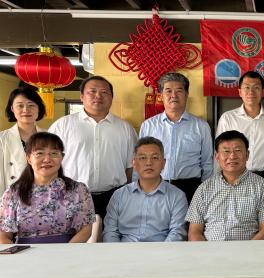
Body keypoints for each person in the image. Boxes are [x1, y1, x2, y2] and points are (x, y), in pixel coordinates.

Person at [48, 76, 137, 218]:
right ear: (82, 97)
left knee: (112, 232)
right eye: (92, 91)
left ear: (112, 97)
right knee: (74, 232)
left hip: (115, 197)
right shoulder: (62, 126)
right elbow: (50, 163)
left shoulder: (125, 128)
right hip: (72, 196)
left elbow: (130, 168)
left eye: (104, 92)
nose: (98, 96)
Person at [0, 132, 94, 244]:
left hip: (68, 250)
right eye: (39, 153)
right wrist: (17, 253)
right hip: (25, 252)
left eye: (54, 153)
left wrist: (67, 251)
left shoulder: (78, 190)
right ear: (29, 158)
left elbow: (85, 230)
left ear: (62, 157)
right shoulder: (13, 193)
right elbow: (3, 236)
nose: (47, 159)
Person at [187, 130, 264, 241]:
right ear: (217, 156)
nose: (232, 156)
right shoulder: (204, 189)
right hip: (211, 250)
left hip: (249, 250)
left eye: (238, 150)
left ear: (247, 155)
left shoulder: (263, 187)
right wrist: (206, 252)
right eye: (226, 151)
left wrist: (248, 251)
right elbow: (194, 232)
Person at [139, 72, 213, 202]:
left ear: (186, 94)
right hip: (156, 187)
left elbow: (207, 163)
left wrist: (206, 192)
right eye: (168, 91)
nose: (173, 95)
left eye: (179, 91)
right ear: (161, 95)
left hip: (191, 189)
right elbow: (140, 160)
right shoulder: (148, 126)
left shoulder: (201, 126)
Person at [103, 137, 188, 242]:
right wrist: (118, 252)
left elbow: (177, 233)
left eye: (155, 157)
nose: (149, 163)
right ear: (134, 163)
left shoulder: (177, 196)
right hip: (125, 250)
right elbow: (110, 232)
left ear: (163, 163)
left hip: (161, 250)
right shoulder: (119, 195)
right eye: (142, 158)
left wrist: (162, 252)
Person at [216, 71, 264, 179]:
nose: (251, 92)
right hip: (234, 177)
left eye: (256, 88)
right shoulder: (228, 118)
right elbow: (219, 151)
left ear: (263, 92)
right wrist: (218, 179)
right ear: (240, 92)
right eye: (247, 87)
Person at [0, 88, 46, 196]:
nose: (26, 110)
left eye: (31, 105)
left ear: (38, 108)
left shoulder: (50, 136)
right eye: (20, 106)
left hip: (44, 197)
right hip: (12, 198)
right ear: (12, 108)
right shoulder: (2, 139)